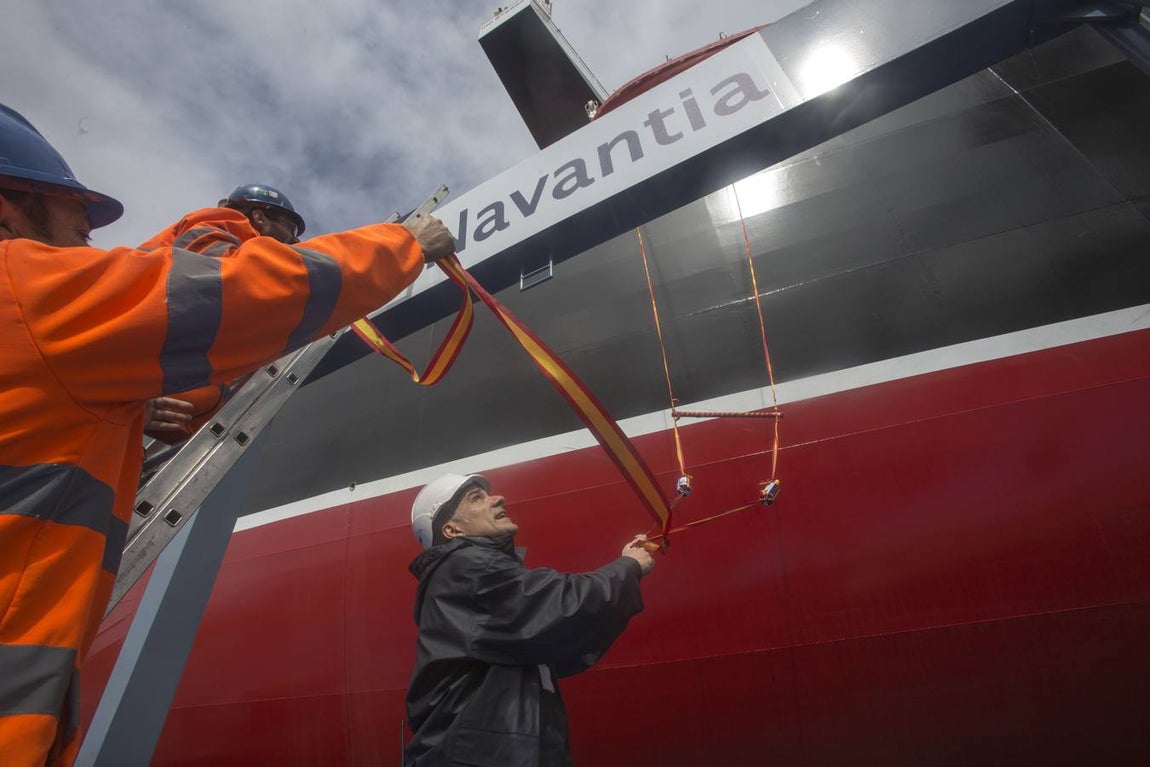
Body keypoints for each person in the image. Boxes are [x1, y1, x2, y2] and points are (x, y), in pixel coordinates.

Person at [0, 102, 455, 767]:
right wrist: (404, 242)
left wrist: (128, 403)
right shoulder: (195, 242)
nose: (85, 240)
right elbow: (245, 294)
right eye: (72, 219)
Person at [404, 473, 655, 766]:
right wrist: (628, 568)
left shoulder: (470, 579)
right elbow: (561, 605)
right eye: (477, 498)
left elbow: (562, 642)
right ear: (452, 529)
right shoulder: (465, 567)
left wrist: (625, 572)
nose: (497, 498)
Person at [142, 183, 310, 442]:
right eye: (289, 227)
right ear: (260, 217)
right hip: (126, 393)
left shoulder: (237, 246)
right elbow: (227, 284)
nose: (295, 239)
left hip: (140, 409)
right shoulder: (220, 225)